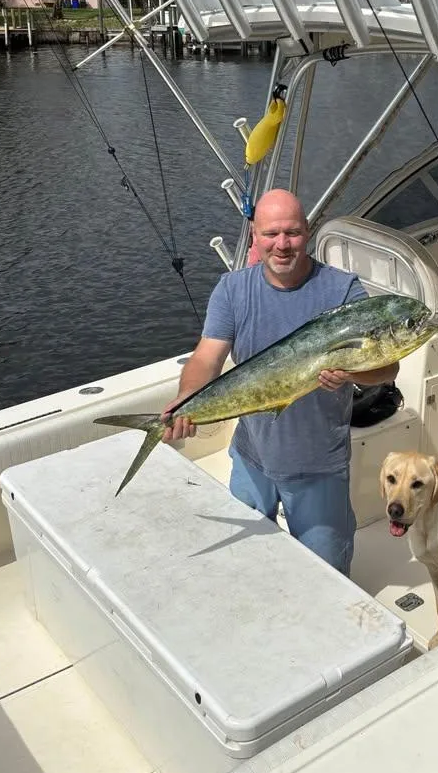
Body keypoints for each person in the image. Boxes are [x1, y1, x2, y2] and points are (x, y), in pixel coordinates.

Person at [161, 189, 399, 575]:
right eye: (271, 234)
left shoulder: (343, 290)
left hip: (319, 465)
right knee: (247, 568)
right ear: (254, 236)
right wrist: (187, 397)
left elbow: (388, 368)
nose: (282, 244)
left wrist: (351, 374)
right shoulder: (232, 289)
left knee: (326, 574)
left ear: (308, 232)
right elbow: (206, 357)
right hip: (251, 458)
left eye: (292, 233)